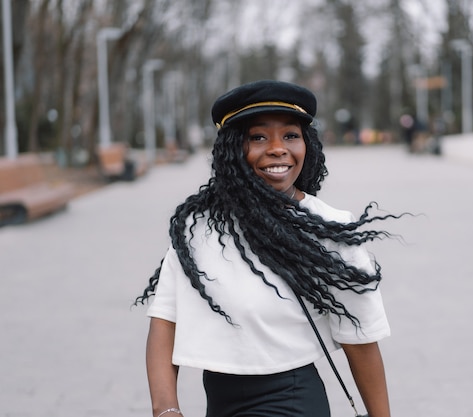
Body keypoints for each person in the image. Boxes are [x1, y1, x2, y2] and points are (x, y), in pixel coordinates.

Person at [135, 80, 401, 417]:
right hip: (220, 403)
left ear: (308, 145)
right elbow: (164, 321)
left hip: (290, 399)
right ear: (233, 150)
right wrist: (166, 409)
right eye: (258, 137)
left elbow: (360, 340)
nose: (277, 148)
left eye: (290, 135)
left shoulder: (330, 229)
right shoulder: (198, 228)